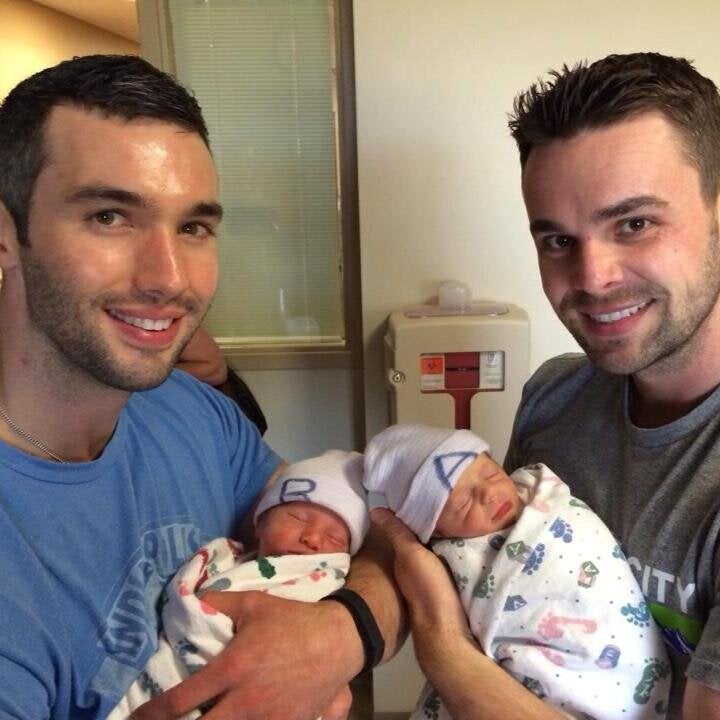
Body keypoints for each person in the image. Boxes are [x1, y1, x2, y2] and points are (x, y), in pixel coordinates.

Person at [0, 54, 404, 719]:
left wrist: (339, 635)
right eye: (109, 216)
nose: (168, 278)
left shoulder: (191, 415)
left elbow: (382, 540)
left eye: (193, 227)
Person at [372, 52, 720, 719]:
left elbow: (455, 627)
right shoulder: (557, 397)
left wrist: (443, 649)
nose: (591, 276)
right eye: (557, 240)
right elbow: (484, 573)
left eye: (634, 224)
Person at [365, 424, 670, 719]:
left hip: (616, 658)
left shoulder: (549, 501)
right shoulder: (453, 559)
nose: (488, 493)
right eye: (463, 502)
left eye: (490, 473)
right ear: (437, 532)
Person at [111, 450, 368, 718]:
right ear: (260, 524)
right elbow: (190, 605)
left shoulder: (328, 587)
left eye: (335, 537)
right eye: (298, 518)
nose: (313, 538)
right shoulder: (224, 561)